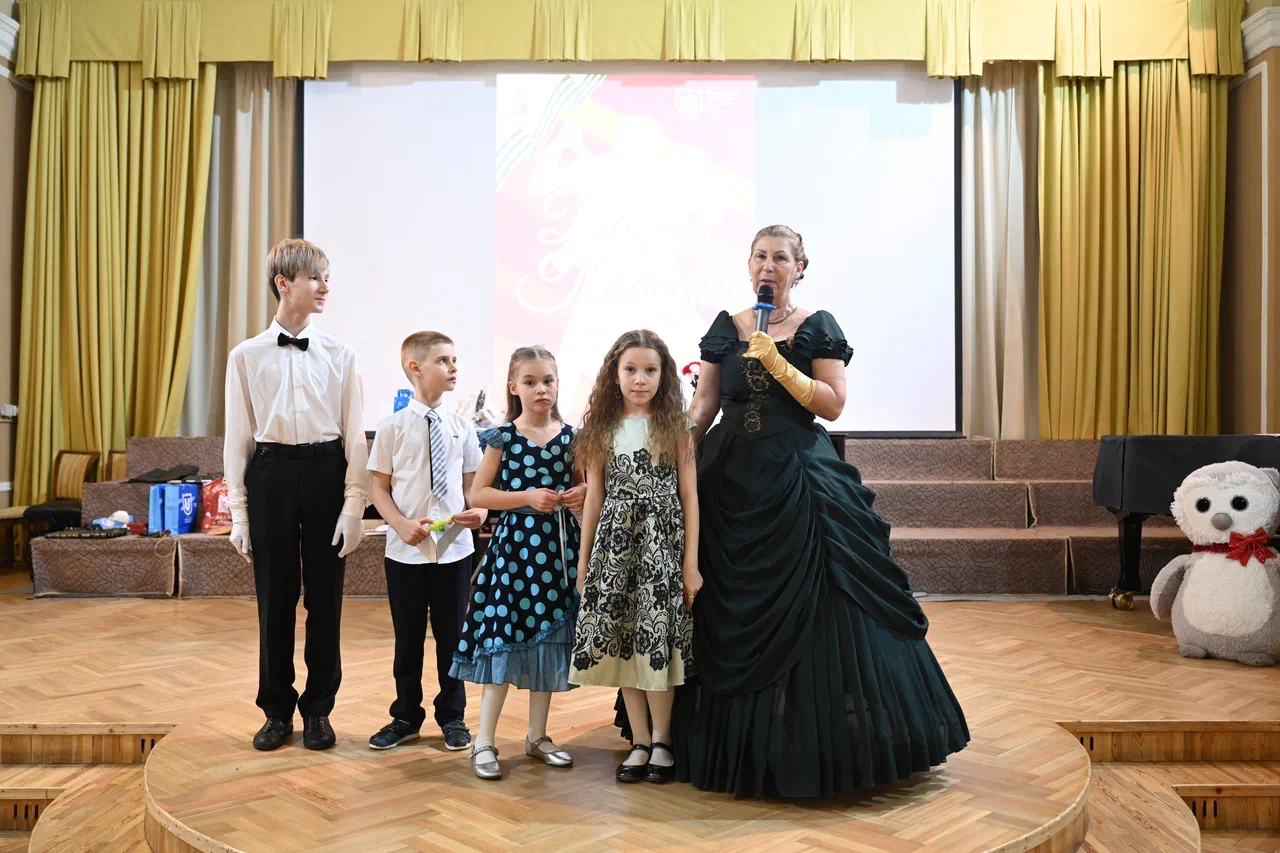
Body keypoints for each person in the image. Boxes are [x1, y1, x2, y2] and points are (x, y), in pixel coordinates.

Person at [677, 224, 969, 797]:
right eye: (759, 256)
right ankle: (726, 742)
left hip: (798, 473)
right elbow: (704, 406)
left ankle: (815, 734)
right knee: (722, 601)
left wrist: (780, 365)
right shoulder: (726, 326)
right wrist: (659, 456)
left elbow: (833, 405)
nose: (768, 266)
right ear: (749, 264)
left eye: (780, 258)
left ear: (799, 268)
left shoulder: (818, 326)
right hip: (728, 476)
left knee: (827, 601)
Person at [223, 238, 368, 752]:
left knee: (326, 600)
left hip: (327, 471)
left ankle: (319, 709)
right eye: (315, 278)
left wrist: (355, 505)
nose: (325, 287)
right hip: (271, 474)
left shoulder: (341, 354)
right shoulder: (245, 356)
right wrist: (239, 513)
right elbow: (238, 437)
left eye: (327, 277)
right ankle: (276, 710)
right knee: (274, 599)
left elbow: (354, 435)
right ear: (283, 283)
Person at [449, 345, 587, 779]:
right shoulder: (503, 437)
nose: (540, 389)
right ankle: (483, 740)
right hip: (514, 554)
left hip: (558, 552)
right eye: (530, 382)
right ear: (513, 387)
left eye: (547, 380)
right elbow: (479, 494)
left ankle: (537, 736)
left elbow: (583, 488)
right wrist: (526, 497)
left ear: (558, 383)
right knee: (503, 637)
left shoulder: (573, 437)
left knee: (549, 640)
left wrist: (579, 495)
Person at [569, 330, 700, 784]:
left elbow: (690, 497)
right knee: (625, 641)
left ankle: (663, 740)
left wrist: (690, 564)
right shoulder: (601, 428)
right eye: (630, 370)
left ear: (664, 376)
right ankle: (640, 742)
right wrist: (584, 562)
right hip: (615, 547)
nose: (639, 379)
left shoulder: (676, 427)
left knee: (655, 640)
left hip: (662, 546)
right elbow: (593, 498)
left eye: (649, 370)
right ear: (615, 374)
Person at [366, 331, 488, 754]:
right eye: (443, 360)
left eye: (454, 360)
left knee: (454, 638)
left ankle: (452, 716)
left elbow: (474, 489)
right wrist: (400, 524)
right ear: (415, 367)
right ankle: (405, 716)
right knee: (408, 638)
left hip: (454, 550)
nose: (453, 368)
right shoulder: (391, 428)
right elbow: (378, 488)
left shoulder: (464, 428)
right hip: (406, 551)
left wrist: (480, 512)